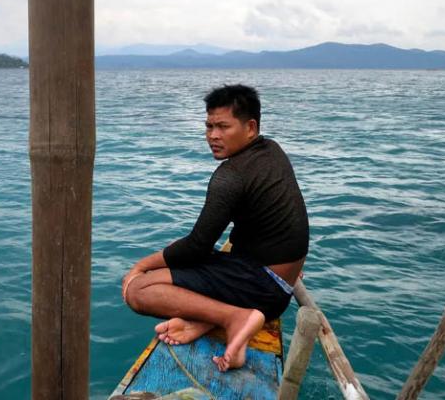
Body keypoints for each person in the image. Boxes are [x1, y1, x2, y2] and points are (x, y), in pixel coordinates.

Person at [122, 84, 309, 372]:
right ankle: (205, 321)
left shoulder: (231, 176)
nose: (213, 136)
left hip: (264, 288)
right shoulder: (271, 150)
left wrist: (140, 267)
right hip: (277, 281)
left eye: (223, 126)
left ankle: (233, 317)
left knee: (139, 290)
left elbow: (197, 246)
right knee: (179, 264)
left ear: (250, 127)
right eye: (209, 126)